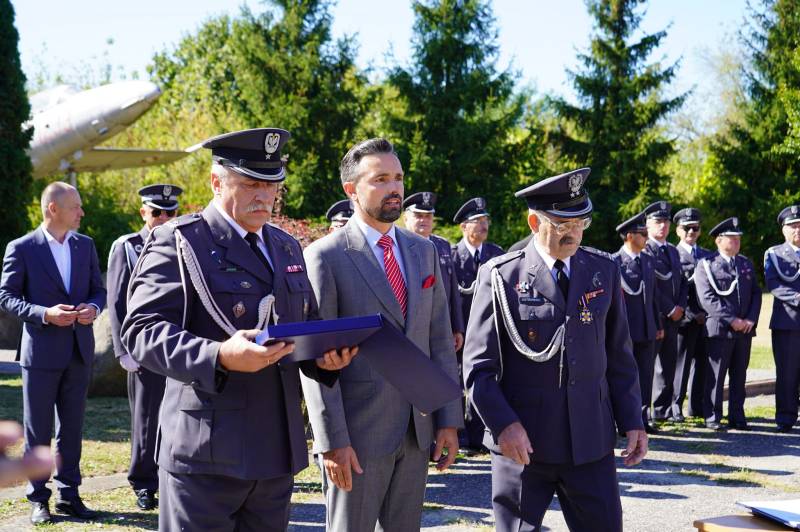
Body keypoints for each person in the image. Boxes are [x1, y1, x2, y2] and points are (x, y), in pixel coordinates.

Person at [121, 128, 356, 531]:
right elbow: (141, 332)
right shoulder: (180, 241)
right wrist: (218, 356)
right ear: (216, 182)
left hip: (274, 450)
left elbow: (304, 325)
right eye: (250, 184)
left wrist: (324, 358)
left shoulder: (284, 246)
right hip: (206, 452)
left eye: (271, 185)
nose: (264, 196)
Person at [463, 167, 646, 532]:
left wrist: (632, 421)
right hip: (524, 444)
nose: (573, 233)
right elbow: (478, 368)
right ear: (534, 222)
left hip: (590, 441)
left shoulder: (602, 269)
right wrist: (503, 425)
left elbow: (619, 355)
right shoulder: (501, 276)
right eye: (562, 224)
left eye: (581, 223)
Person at [301, 138, 462, 532]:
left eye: (399, 178)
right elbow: (315, 362)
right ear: (351, 189)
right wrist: (332, 441)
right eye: (381, 179)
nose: (395, 188)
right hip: (356, 437)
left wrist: (448, 419)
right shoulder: (326, 256)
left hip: (417, 431)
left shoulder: (423, 251)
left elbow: (439, 340)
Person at [0, 182, 106, 524]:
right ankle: (38, 499)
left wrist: (93, 307)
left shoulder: (85, 245)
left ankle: (69, 495)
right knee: (38, 430)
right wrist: (45, 313)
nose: (82, 212)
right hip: (41, 354)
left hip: (78, 350)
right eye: (76, 206)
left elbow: (98, 290)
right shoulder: (22, 247)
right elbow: (7, 297)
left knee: (72, 429)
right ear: (53, 209)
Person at [107, 184, 183, 510]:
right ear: (143, 213)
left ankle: (169, 477)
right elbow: (116, 302)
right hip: (142, 348)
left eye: (170, 212)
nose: (164, 217)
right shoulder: (127, 246)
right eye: (157, 212)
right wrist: (122, 350)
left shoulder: (182, 242)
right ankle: (143, 482)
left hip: (176, 347)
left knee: (176, 418)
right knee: (147, 418)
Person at [694, 217, 761, 431]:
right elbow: (707, 298)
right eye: (732, 238)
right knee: (715, 376)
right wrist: (732, 320)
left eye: (738, 238)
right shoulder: (706, 264)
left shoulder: (745, 263)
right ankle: (712, 417)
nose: (736, 241)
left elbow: (756, 293)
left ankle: (737, 416)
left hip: (744, 331)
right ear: (718, 240)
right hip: (720, 330)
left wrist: (750, 319)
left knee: (739, 375)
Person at [452, 197, 504, 450]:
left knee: (484, 379)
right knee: (455, 382)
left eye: (486, 221)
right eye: (477, 221)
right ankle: (458, 433)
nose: (484, 226)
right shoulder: (452, 256)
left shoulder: (496, 254)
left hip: (487, 330)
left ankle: (480, 434)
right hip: (459, 330)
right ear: (464, 226)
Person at [612, 212, 663, 434]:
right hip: (625, 331)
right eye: (642, 234)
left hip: (647, 329)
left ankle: (642, 418)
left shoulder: (648, 261)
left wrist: (658, 325)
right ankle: (623, 421)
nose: (646, 238)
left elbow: (653, 297)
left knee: (645, 376)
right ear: (629, 236)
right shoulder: (614, 262)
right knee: (624, 377)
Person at [643, 201, 688, 422]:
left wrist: (680, 306)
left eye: (666, 221)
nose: (663, 225)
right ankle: (645, 412)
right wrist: (669, 308)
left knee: (669, 365)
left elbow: (682, 282)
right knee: (649, 367)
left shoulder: (672, 250)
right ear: (647, 224)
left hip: (674, 318)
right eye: (658, 221)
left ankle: (663, 411)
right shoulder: (645, 249)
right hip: (656, 316)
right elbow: (651, 286)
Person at [402, 191, 464, 350]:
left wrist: (457, 327)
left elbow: (453, 289)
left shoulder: (443, 245)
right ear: (406, 218)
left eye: (428, 216)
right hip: (410, 327)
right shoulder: (398, 246)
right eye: (418, 215)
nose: (424, 220)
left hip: (441, 325)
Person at [764, 205, 800, 433]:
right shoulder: (774, 253)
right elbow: (774, 284)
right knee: (787, 372)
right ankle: (786, 417)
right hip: (788, 322)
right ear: (783, 230)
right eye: (793, 226)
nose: (797, 230)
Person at [673, 207, 710, 419]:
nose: (691, 232)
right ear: (678, 230)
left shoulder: (707, 255)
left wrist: (705, 313)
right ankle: (675, 406)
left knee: (702, 365)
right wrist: (690, 313)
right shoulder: (672, 254)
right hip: (684, 320)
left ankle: (696, 407)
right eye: (686, 228)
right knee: (681, 365)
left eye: (695, 228)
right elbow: (675, 290)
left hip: (706, 319)